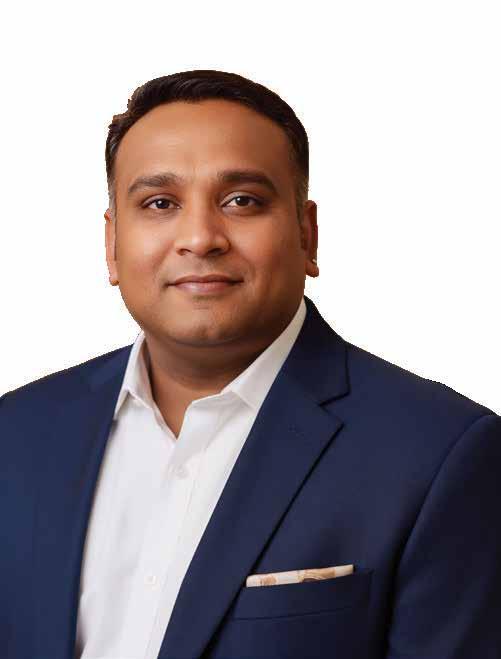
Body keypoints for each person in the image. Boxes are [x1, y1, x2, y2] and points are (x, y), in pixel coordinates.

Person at [1, 69, 500, 659]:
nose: (200, 238)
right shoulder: (18, 432)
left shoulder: (441, 454)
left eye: (242, 201)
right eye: (160, 203)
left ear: (307, 234)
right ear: (111, 245)